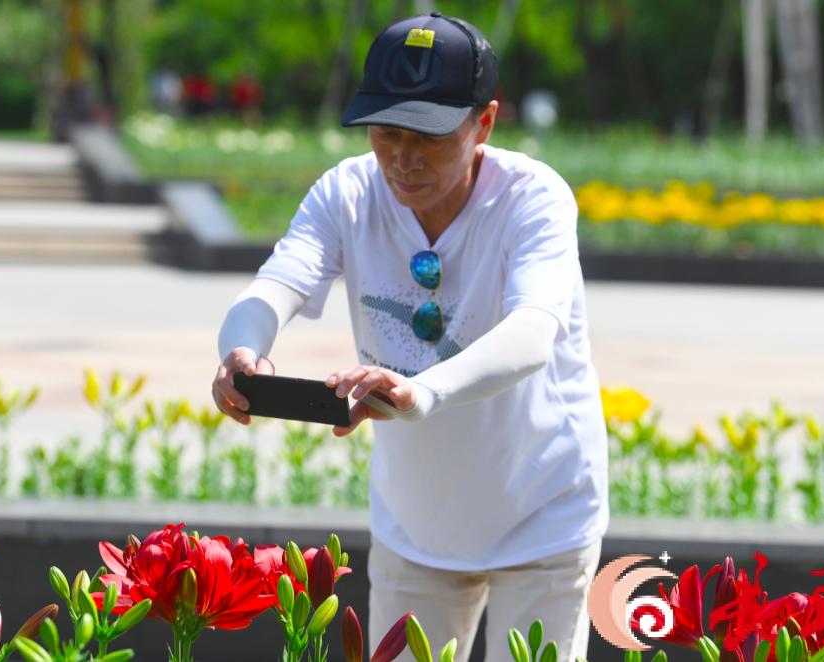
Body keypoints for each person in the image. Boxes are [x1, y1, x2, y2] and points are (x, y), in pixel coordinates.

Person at [212, 13, 607, 662]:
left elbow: (534, 332)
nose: (402, 158)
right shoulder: (345, 193)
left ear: (484, 122)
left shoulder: (533, 198)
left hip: (542, 512)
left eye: (428, 136)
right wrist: (240, 350)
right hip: (415, 522)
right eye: (386, 132)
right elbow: (277, 283)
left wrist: (419, 392)